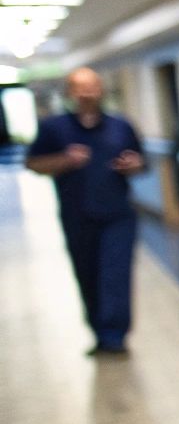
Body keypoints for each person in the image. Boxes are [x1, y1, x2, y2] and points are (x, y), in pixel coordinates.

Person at [27, 68, 146, 355]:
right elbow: (33, 163)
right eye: (80, 88)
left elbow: (142, 162)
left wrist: (133, 165)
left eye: (92, 86)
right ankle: (98, 332)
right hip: (77, 215)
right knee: (88, 274)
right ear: (70, 92)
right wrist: (64, 161)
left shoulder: (121, 126)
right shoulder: (55, 128)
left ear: (101, 89)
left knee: (116, 274)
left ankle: (115, 335)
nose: (87, 93)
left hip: (118, 214)